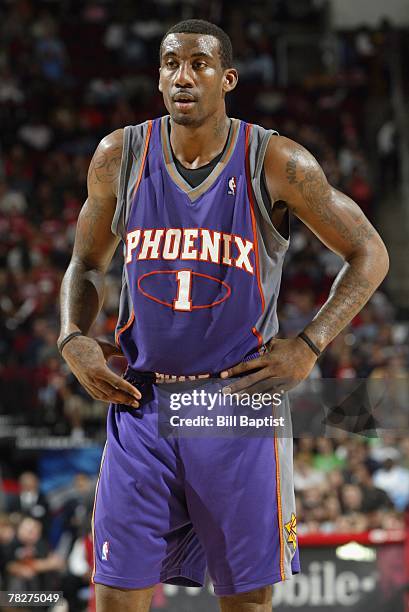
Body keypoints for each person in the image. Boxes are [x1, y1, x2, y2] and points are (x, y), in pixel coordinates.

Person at [57, 19, 389, 612]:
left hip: (235, 403)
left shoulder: (277, 160)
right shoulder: (119, 155)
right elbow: (85, 265)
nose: (183, 76)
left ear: (227, 78)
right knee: (113, 595)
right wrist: (71, 336)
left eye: (199, 64)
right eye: (170, 63)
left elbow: (371, 253)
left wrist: (311, 345)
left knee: (246, 600)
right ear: (158, 76)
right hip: (143, 400)